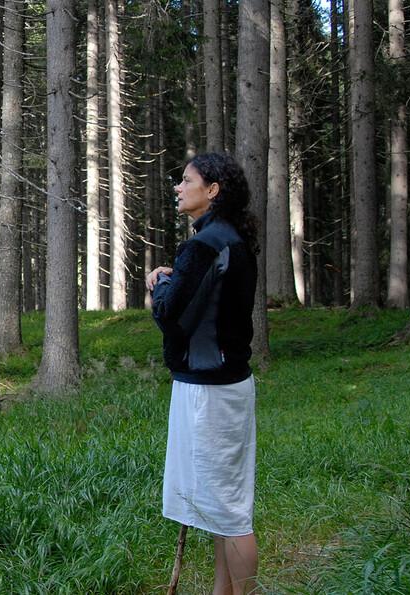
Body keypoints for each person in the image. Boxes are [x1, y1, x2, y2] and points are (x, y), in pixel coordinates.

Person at [146, 152, 259, 595]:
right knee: (219, 506)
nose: (178, 187)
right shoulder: (230, 238)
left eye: (186, 180)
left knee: (229, 513)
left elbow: (174, 318)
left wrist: (160, 283)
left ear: (212, 191)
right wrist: (177, 279)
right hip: (225, 384)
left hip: (209, 393)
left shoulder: (206, 244)